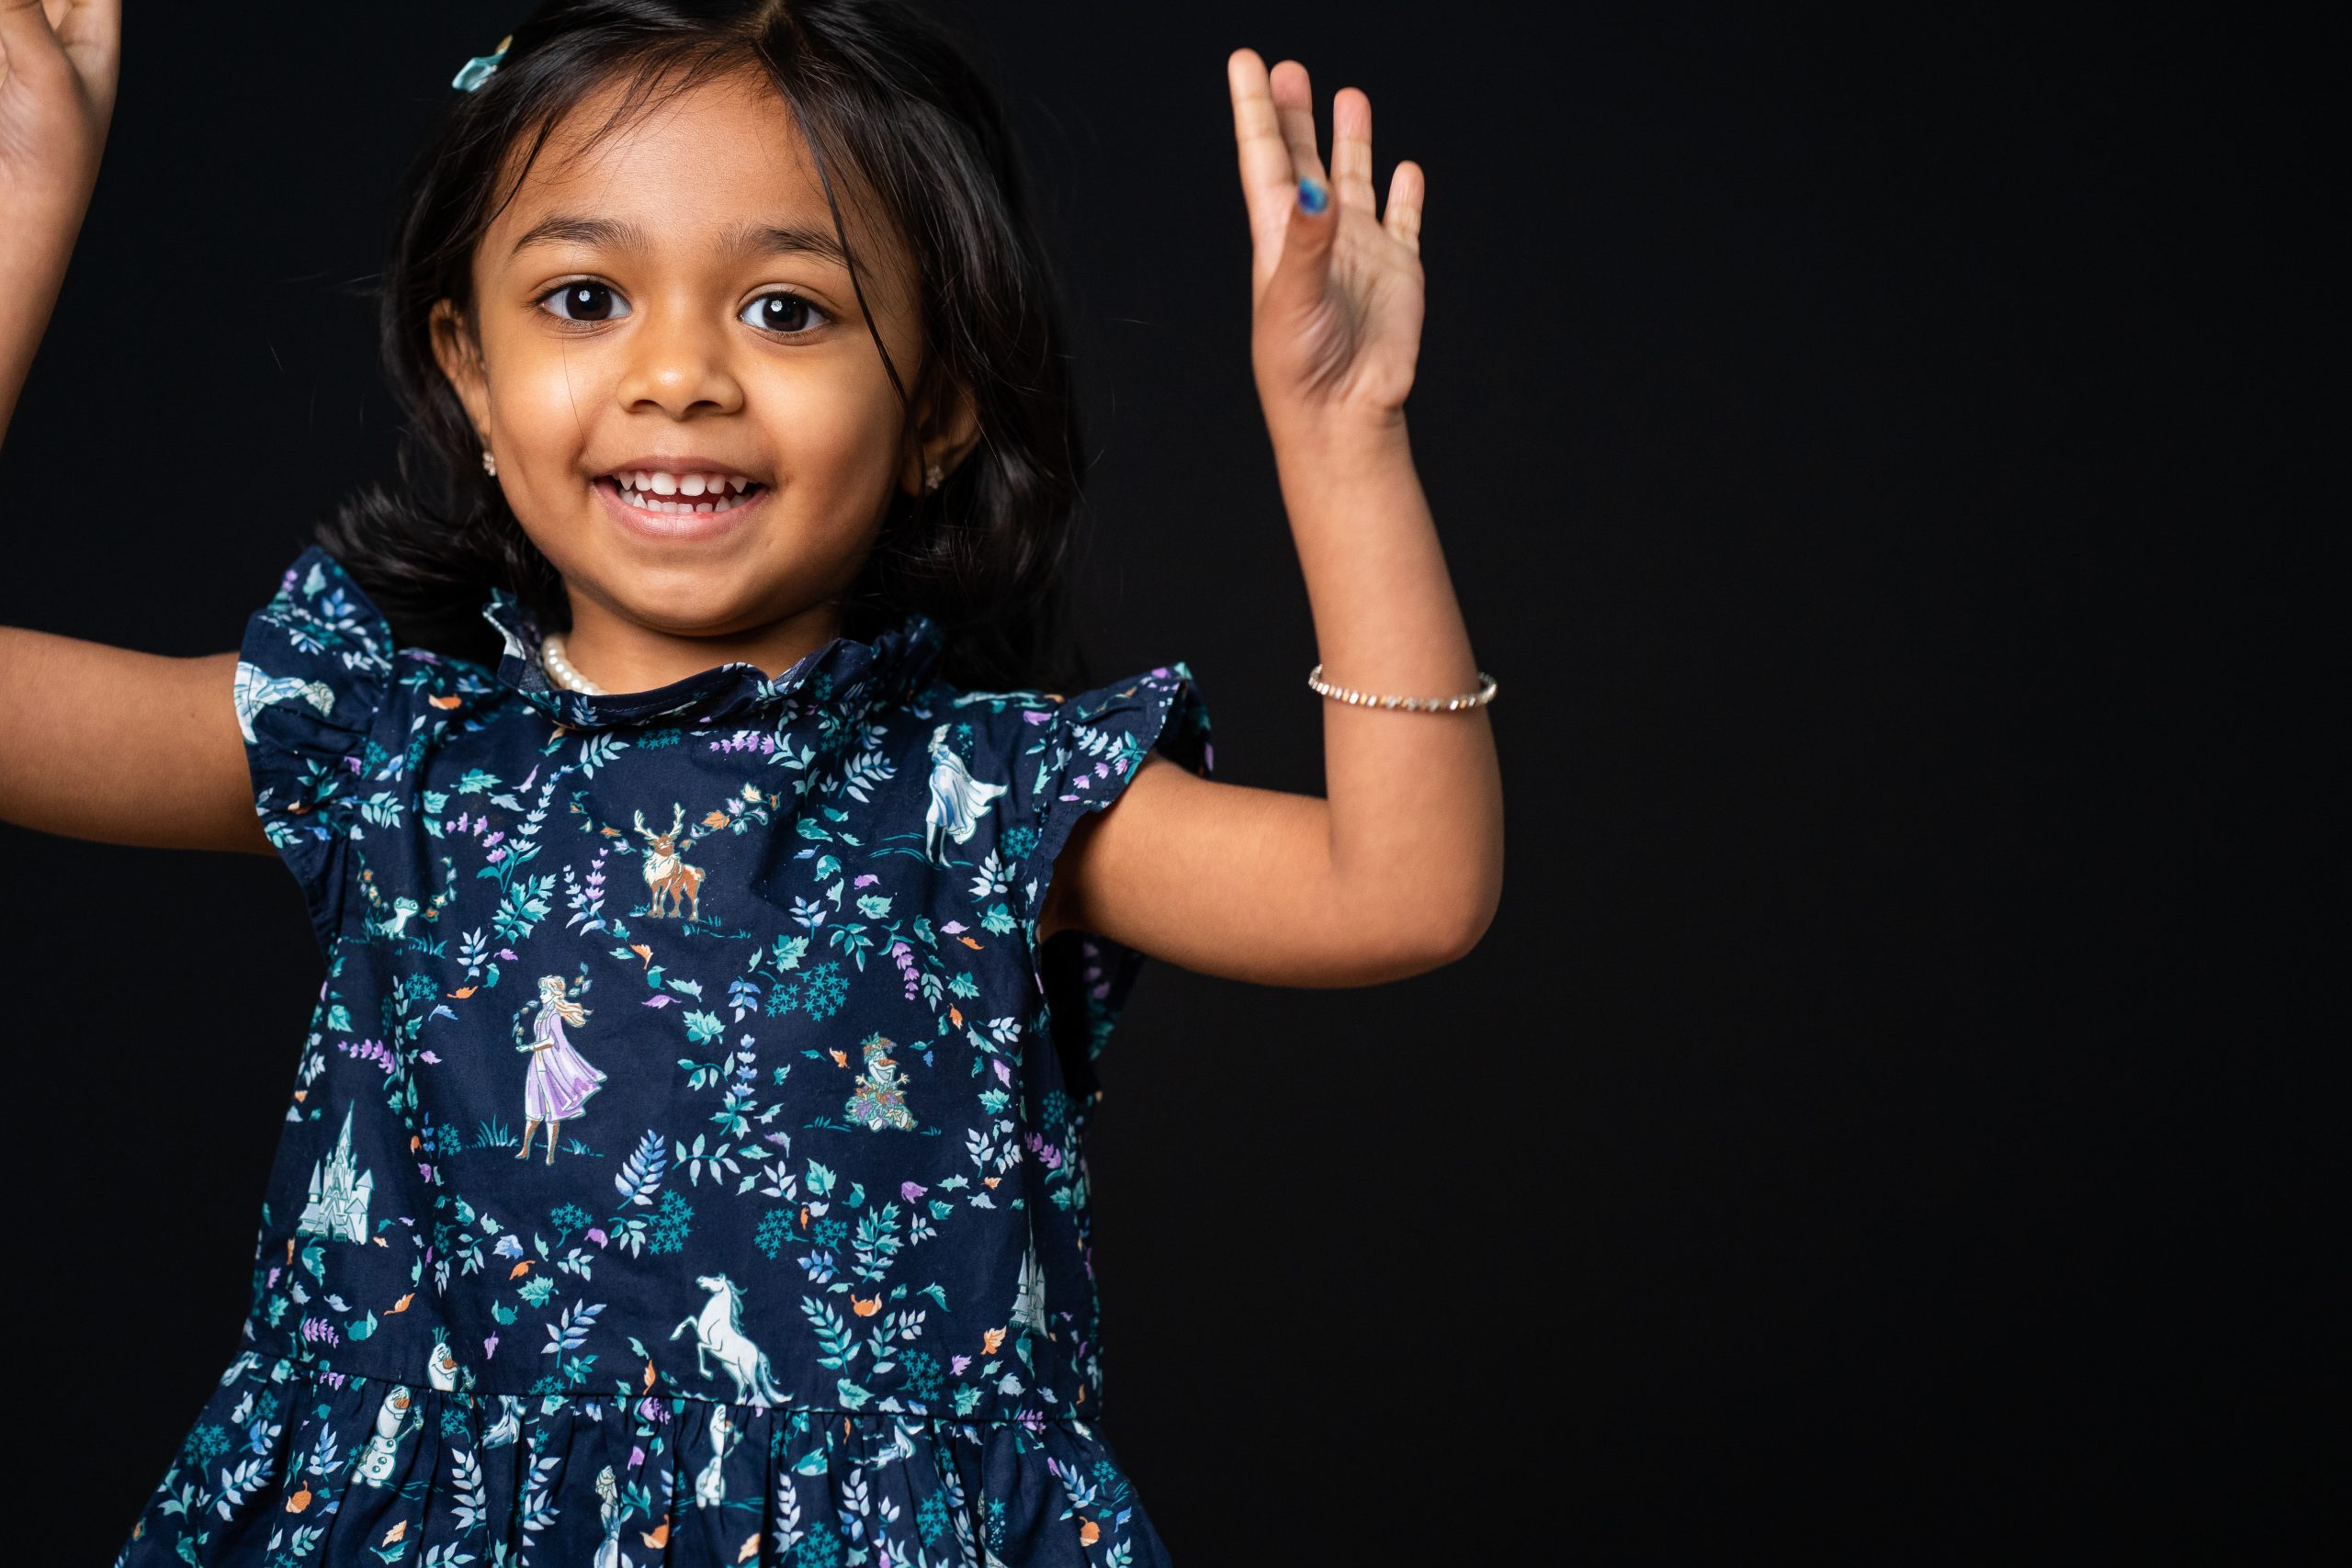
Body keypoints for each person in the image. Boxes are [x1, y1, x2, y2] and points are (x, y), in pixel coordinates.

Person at [0, 3, 1502, 1562]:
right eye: (585, 298)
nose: (679, 375)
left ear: (935, 409)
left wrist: (1342, 440)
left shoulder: (975, 802)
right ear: (468, 375)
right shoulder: (387, 753)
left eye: (787, 311)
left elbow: (1402, 892)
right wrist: (18, 209)